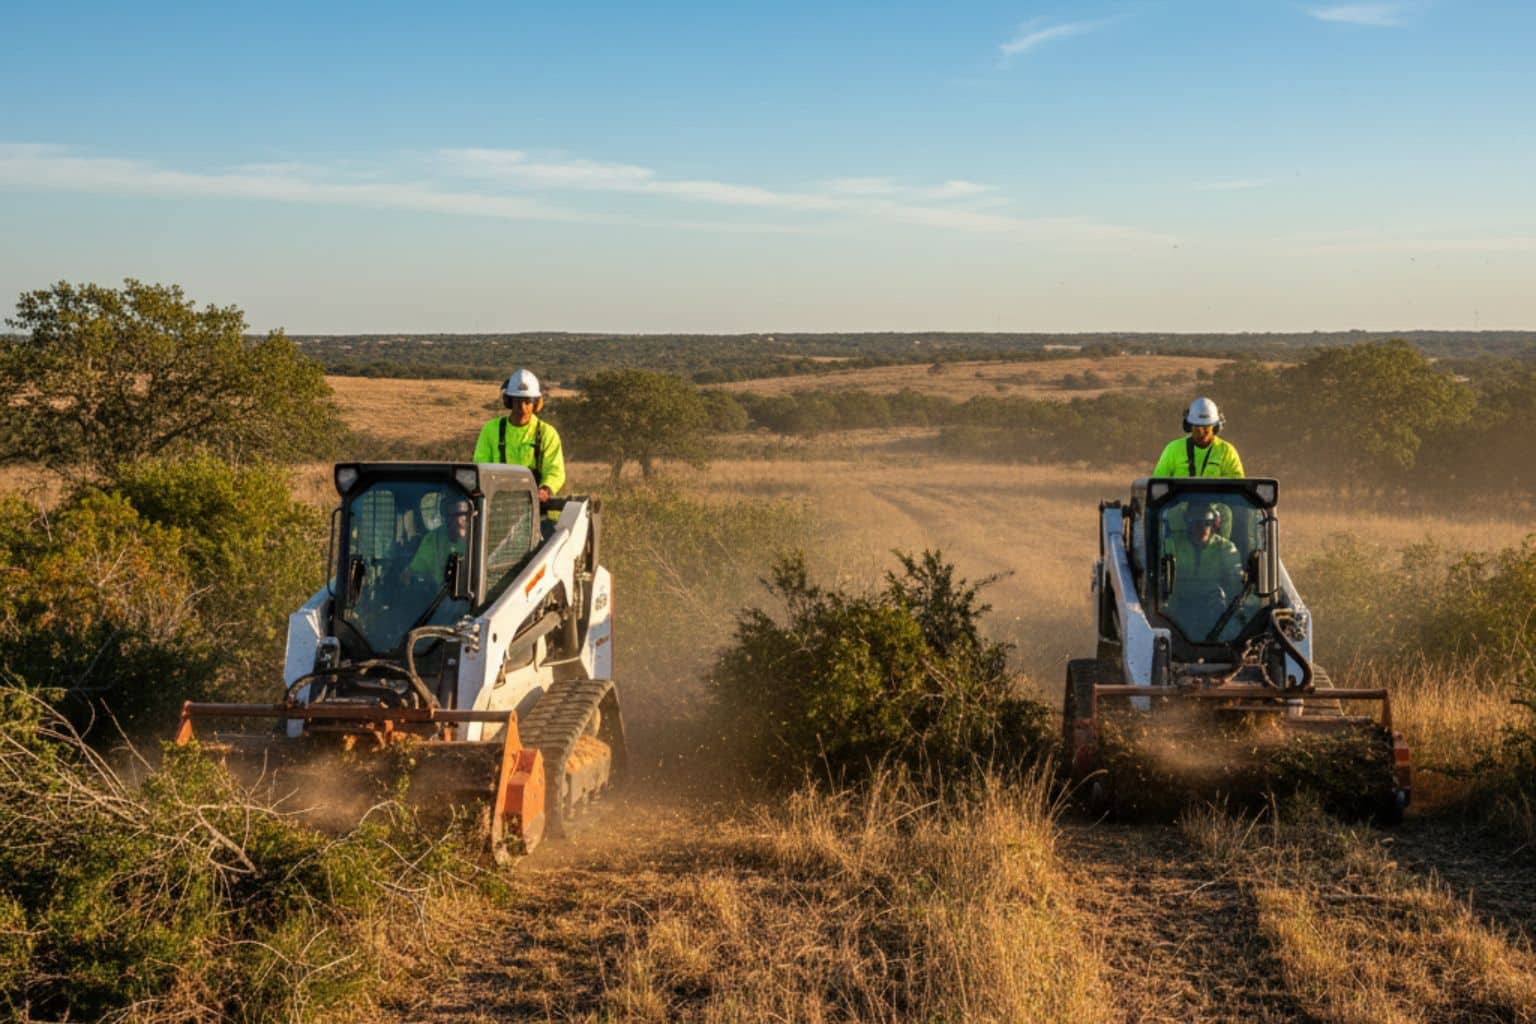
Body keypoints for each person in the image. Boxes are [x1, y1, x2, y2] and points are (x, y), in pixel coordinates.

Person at [473, 368, 566, 503]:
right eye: (517, 401)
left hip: (538, 509)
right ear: (509, 401)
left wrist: (545, 490)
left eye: (527, 401)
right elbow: (480, 467)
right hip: (498, 506)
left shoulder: (547, 433)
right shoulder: (490, 430)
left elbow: (555, 471)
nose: (522, 408)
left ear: (536, 403)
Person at [1164, 505, 1243, 638]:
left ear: (1215, 524)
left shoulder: (1225, 548)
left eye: (1207, 522)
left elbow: (1237, 581)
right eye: (1195, 522)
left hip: (1214, 611)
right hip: (1177, 612)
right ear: (1187, 523)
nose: (1201, 528)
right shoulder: (1171, 544)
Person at [1153, 397, 1245, 478]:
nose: (1201, 432)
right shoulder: (1173, 449)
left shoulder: (1227, 452)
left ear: (1215, 427)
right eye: (1197, 427)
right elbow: (1158, 484)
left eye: (1206, 428)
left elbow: (1237, 487)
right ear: (1189, 426)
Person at [402, 492, 471, 585]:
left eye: (459, 514)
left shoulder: (480, 539)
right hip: (442, 596)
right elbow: (410, 574)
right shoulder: (432, 540)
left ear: (470, 514)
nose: (454, 520)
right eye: (448, 515)